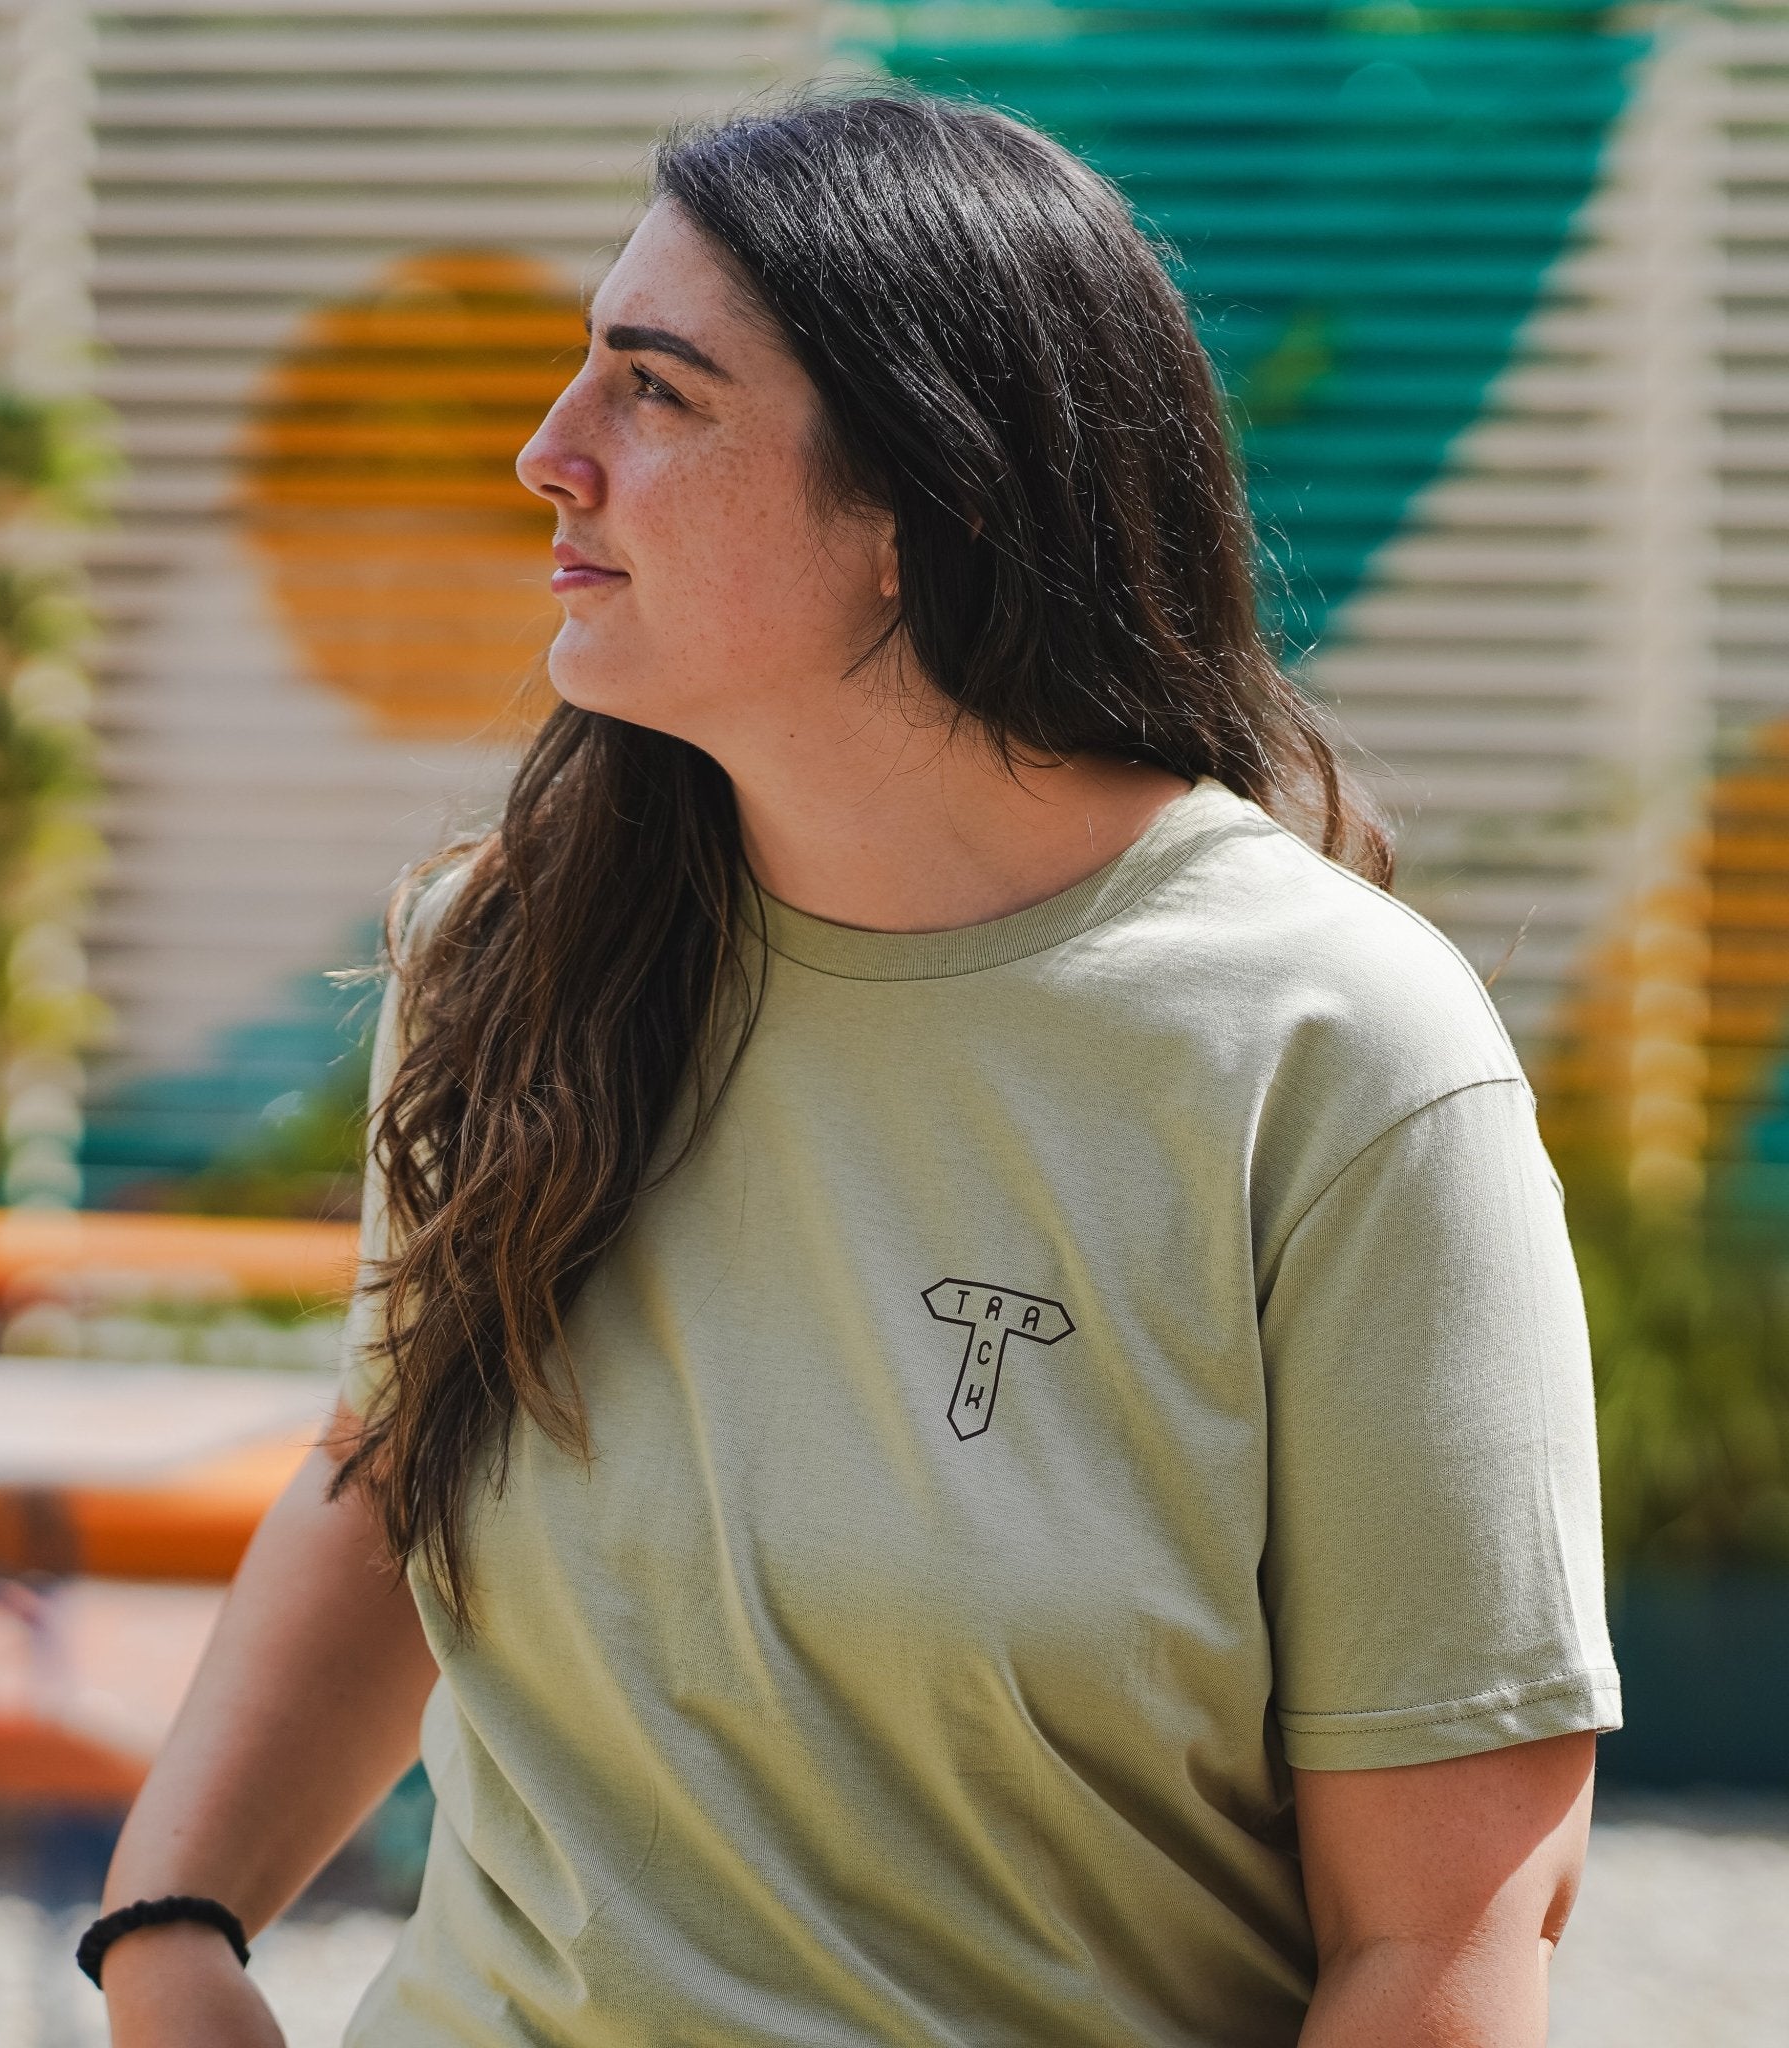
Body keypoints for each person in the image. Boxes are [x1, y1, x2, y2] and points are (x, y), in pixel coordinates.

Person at [90, 92, 1620, 2047]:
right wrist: (169, 1929)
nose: (546, 455)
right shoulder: (507, 953)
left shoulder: (1331, 1059)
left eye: (654, 390)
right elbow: (397, 1464)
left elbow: (1442, 1943)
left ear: (927, 507)